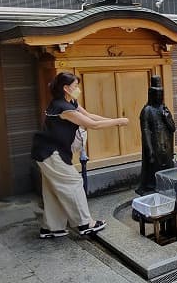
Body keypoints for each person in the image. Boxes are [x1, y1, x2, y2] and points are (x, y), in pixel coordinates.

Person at [31, 72, 129, 238]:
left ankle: (51, 228)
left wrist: (114, 120)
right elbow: (92, 125)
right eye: (76, 86)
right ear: (66, 88)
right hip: (50, 153)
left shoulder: (70, 102)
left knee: (53, 191)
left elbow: (89, 116)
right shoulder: (62, 107)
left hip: (46, 152)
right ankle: (85, 223)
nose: (78, 90)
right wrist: (118, 122)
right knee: (73, 183)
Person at [136, 76, 176, 195]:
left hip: (166, 145)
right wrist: (149, 148)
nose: (159, 97)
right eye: (156, 95)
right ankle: (151, 186)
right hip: (154, 145)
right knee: (153, 168)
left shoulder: (164, 108)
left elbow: (173, 128)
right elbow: (146, 130)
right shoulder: (147, 110)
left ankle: (166, 185)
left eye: (160, 95)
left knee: (167, 167)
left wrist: (167, 117)